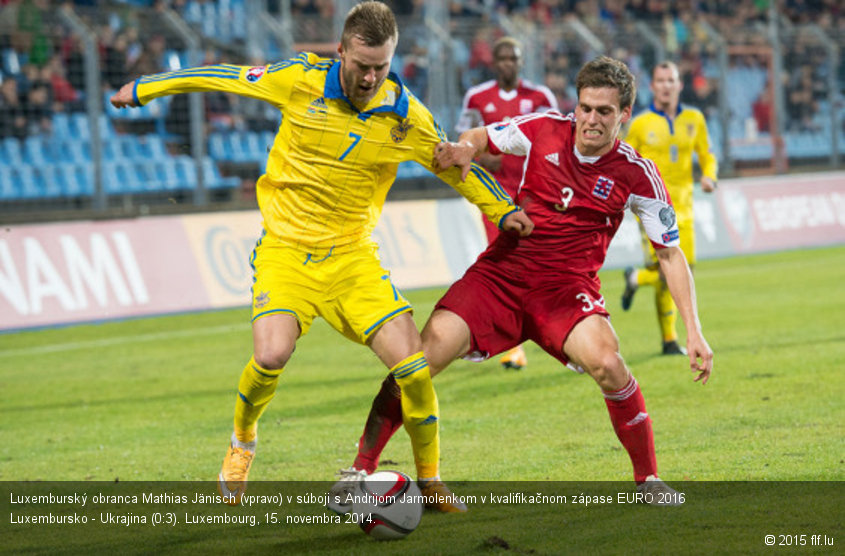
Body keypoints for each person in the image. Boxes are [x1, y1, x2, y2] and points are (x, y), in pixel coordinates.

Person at [110, 1, 532, 511]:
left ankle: (431, 480)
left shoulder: (405, 115)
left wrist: (504, 208)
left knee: (414, 369)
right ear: (340, 52)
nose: (372, 77)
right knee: (270, 356)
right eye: (362, 65)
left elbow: (452, 164)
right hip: (286, 251)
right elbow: (226, 78)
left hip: (353, 259)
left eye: (382, 66)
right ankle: (243, 441)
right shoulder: (298, 79)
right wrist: (147, 87)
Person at [337, 56, 713, 505]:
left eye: (604, 112)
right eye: (585, 108)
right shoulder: (543, 129)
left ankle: (648, 481)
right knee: (416, 362)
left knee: (610, 366)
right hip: (503, 275)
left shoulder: (638, 175)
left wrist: (694, 330)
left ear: (624, 115)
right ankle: (359, 469)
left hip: (565, 291)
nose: (590, 120)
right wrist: (464, 149)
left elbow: (669, 254)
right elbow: (482, 136)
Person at [455, 36, 558, 371]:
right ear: (493, 63)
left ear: (520, 60)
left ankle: (550, 332)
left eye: (512, 58)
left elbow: (555, 141)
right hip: (494, 197)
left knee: (542, 267)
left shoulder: (541, 97)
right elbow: (463, 142)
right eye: (501, 59)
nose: (507, 64)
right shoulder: (477, 97)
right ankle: (513, 346)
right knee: (506, 264)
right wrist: (483, 158)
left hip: (534, 194)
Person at [621, 61, 718, 355]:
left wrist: (709, 176)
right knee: (666, 271)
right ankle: (668, 334)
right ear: (652, 87)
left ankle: (666, 337)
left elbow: (708, 154)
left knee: (683, 271)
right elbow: (624, 160)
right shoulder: (639, 124)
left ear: (679, 85)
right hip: (651, 207)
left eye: (670, 80)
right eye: (660, 80)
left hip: (685, 206)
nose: (665, 85)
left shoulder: (695, 118)